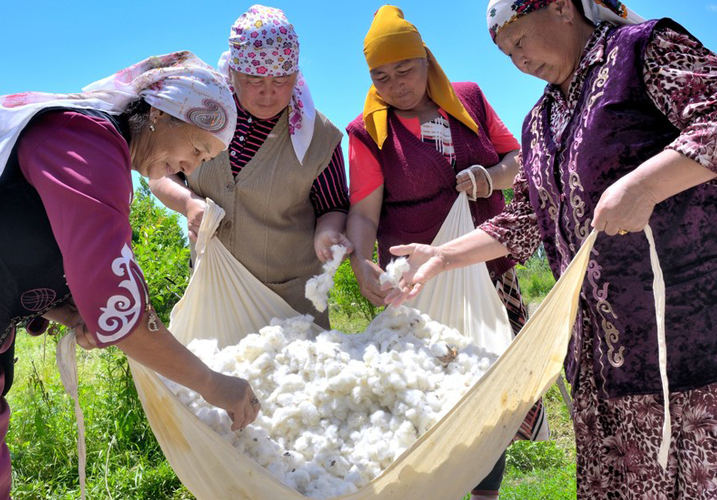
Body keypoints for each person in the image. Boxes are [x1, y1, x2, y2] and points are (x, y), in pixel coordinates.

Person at [386, 0, 717, 497]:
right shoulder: (540, 121)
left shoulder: (640, 53)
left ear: (561, 8)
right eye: (505, 52)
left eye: (519, 41)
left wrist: (644, 186)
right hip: (605, 363)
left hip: (697, 347)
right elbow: (529, 217)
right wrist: (444, 256)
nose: (517, 59)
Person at [0, 51, 263, 497]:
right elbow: (123, 315)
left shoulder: (98, 151)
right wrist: (215, 386)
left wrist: (70, 312)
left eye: (206, 158)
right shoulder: (85, 144)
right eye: (197, 149)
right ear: (160, 113)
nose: (191, 167)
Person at [345, 7, 548, 499]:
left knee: (488, 384)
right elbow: (365, 214)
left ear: (426, 60)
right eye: (381, 76)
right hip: (418, 281)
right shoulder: (368, 132)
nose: (395, 85)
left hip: (486, 264)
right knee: (427, 392)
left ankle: (484, 494)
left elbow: (518, 159)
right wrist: (360, 262)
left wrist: (490, 178)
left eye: (405, 69)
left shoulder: (469, 100)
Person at [150, 5, 351, 328]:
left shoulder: (319, 137)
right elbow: (159, 172)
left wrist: (328, 232)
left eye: (281, 80)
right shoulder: (198, 115)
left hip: (289, 308)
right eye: (254, 79)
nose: (269, 93)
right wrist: (188, 203)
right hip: (213, 296)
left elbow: (334, 206)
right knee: (213, 377)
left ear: (296, 75)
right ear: (232, 72)